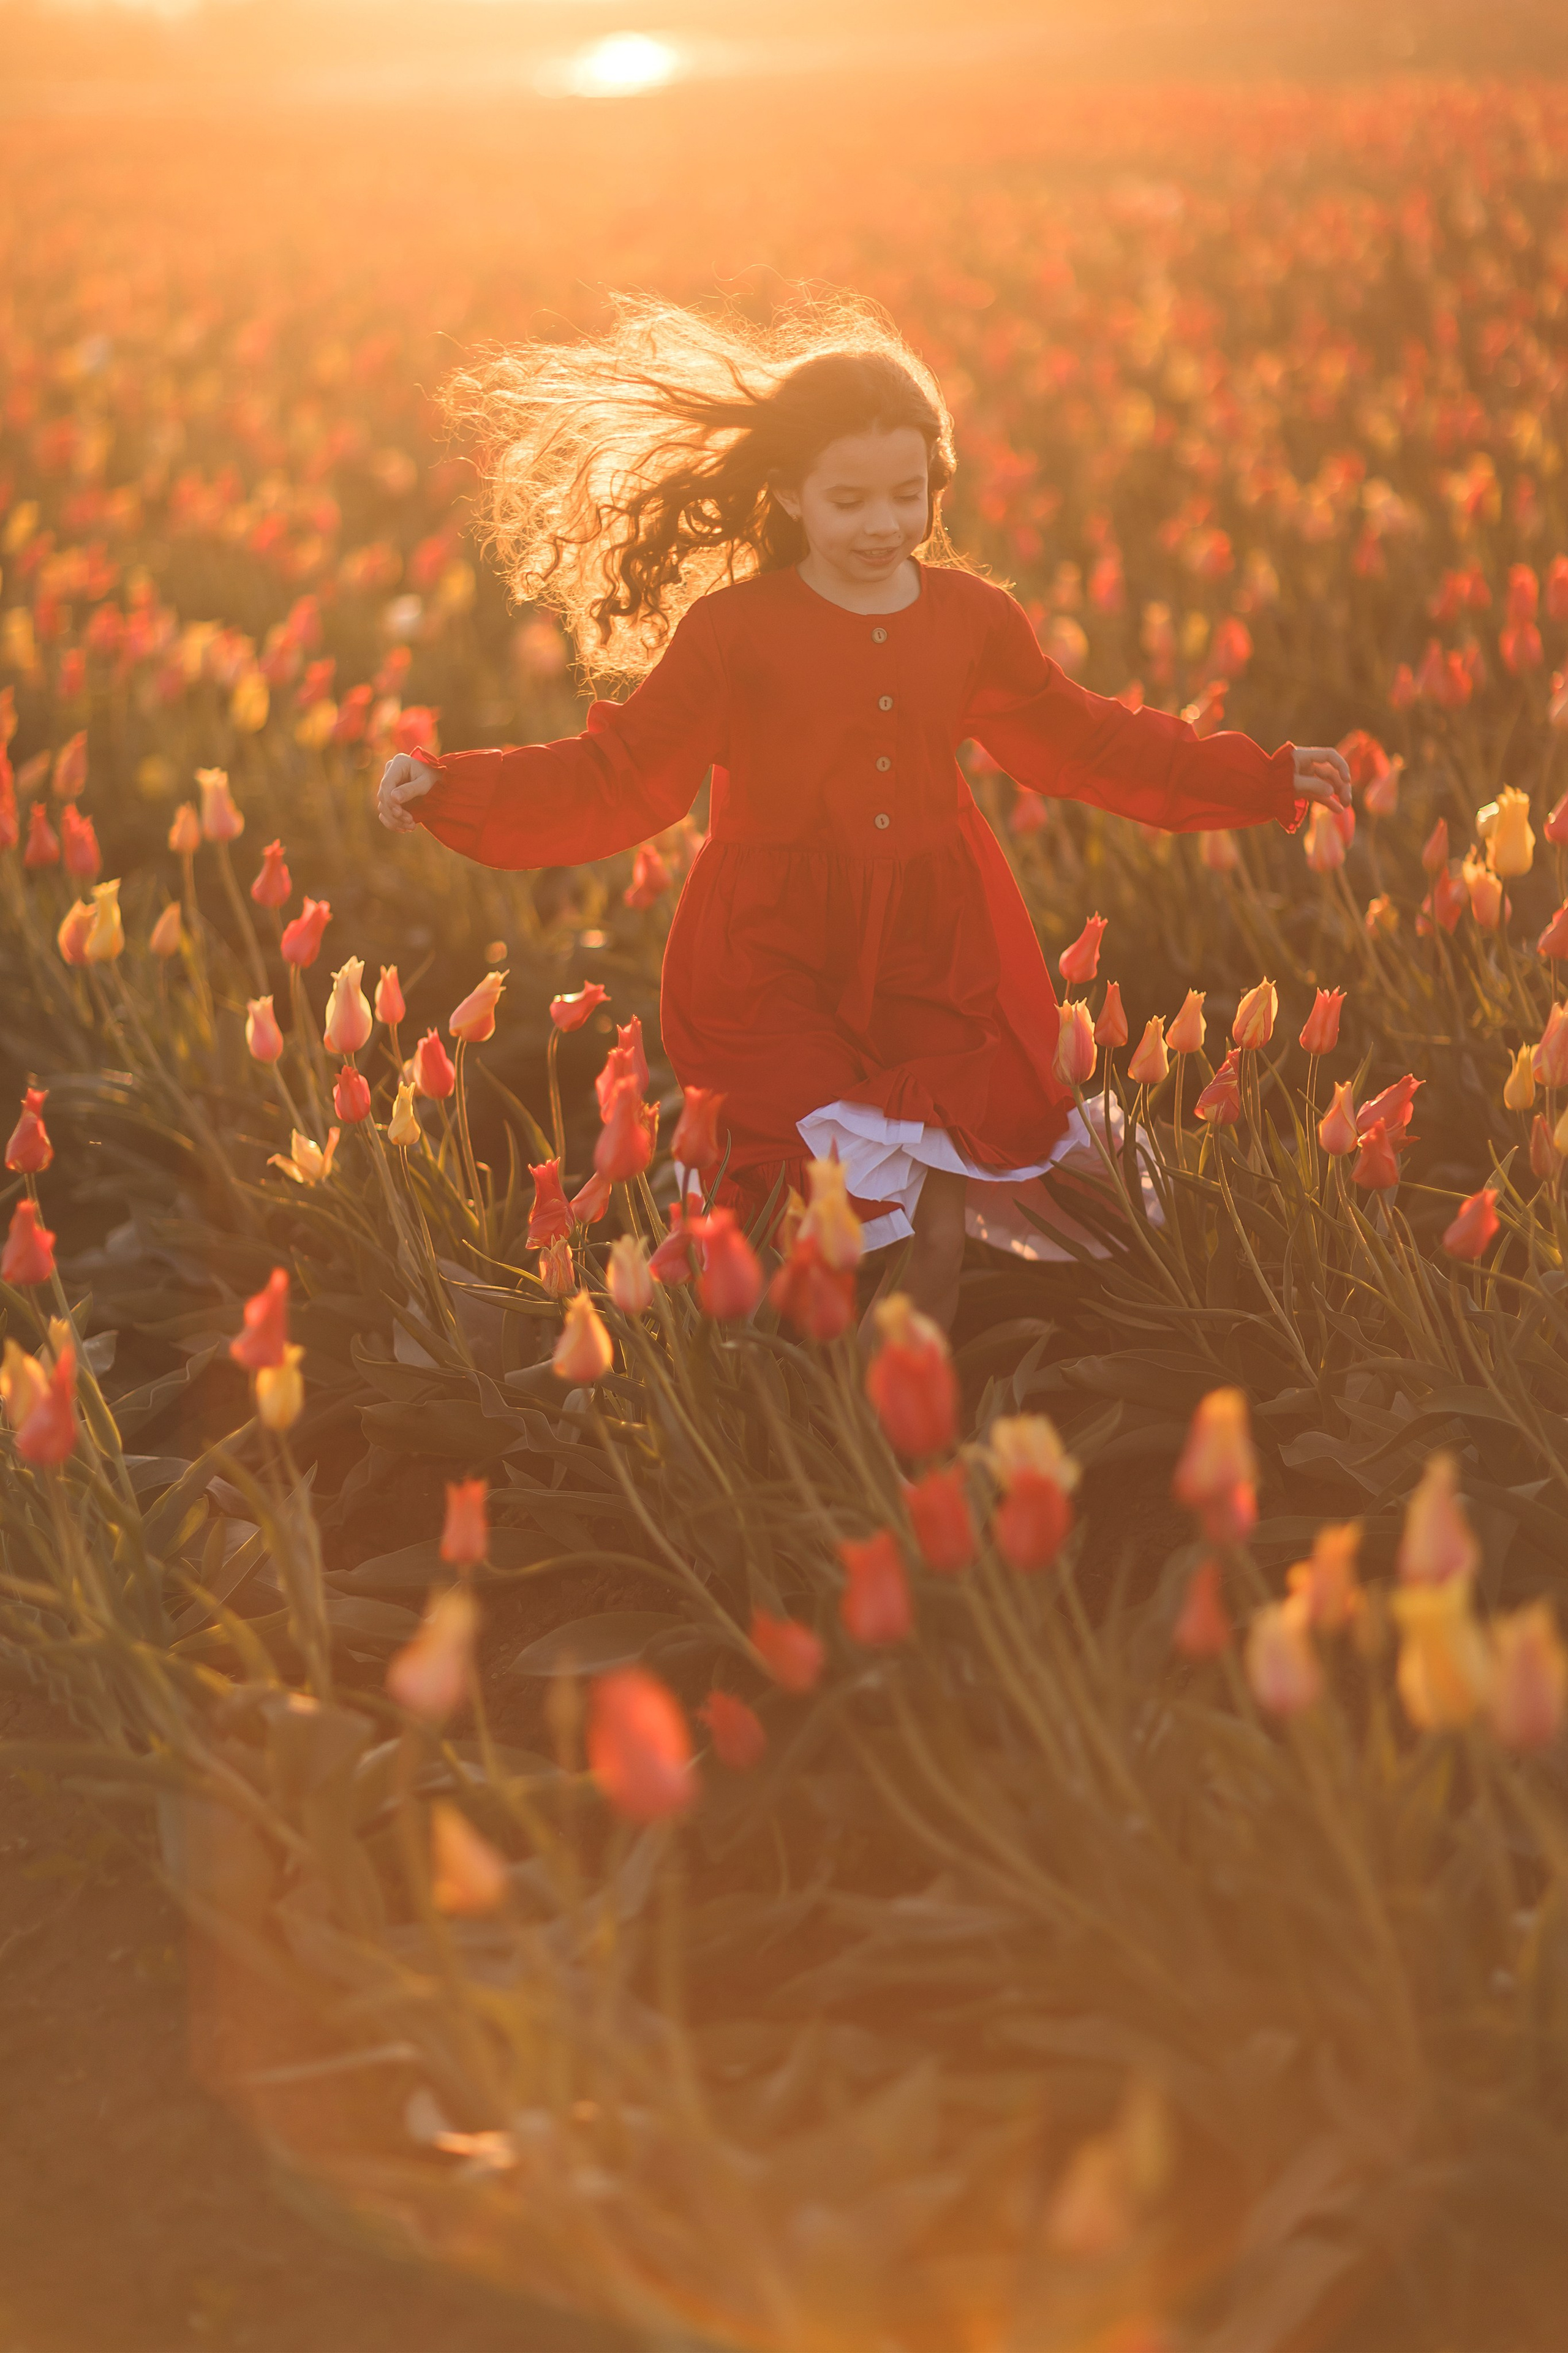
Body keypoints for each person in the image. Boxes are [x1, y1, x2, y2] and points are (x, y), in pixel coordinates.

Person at [379, 293, 1349, 1331]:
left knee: (932, 1224)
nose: (884, 524)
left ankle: (904, 1407)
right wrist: (456, 787)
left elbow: (1087, 739)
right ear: (789, 493)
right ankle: (769, 1388)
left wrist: (1258, 778)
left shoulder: (971, 620)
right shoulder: (734, 633)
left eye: (908, 493)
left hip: (939, 951)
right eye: (849, 500)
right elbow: (620, 772)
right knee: (819, 1201)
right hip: (769, 953)